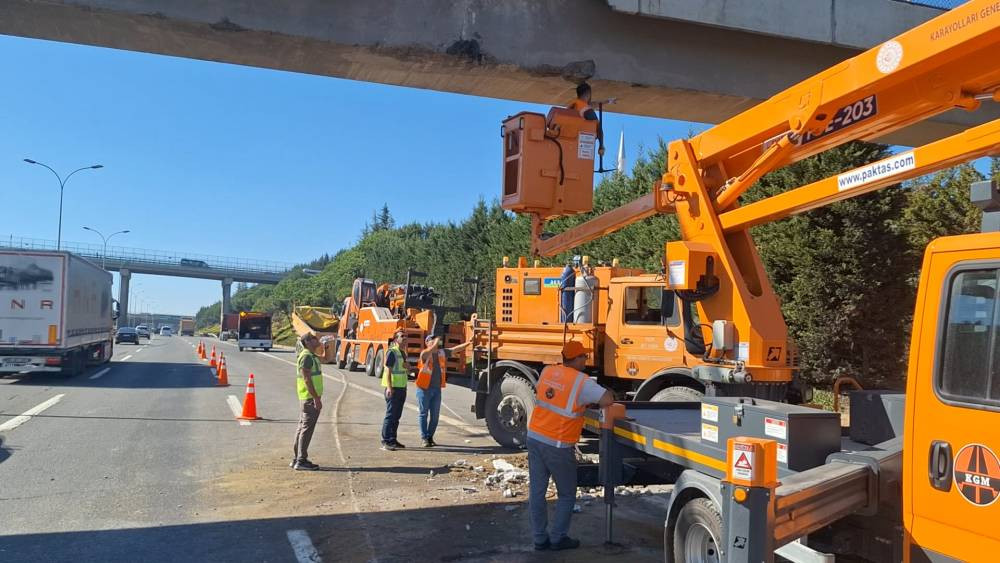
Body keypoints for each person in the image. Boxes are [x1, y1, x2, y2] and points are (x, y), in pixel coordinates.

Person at [527, 340, 613, 551]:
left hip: (535, 438)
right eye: (583, 356)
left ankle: (540, 539)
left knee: (537, 492)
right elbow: (608, 400)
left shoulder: (548, 371)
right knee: (566, 493)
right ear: (574, 359)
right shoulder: (582, 382)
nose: (586, 359)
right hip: (558, 444)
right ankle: (558, 538)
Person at [416, 334, 472, 447]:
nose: (434, 341)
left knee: (435, 416)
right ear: (427, 343)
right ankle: (424, 438)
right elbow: (431, 350)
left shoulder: (441, 352)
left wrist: (469, 343)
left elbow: (456, 349)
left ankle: (430, 437)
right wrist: (436, 340)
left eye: (434, 340)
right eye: (431, 340)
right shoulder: (424, 353)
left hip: (436, 389)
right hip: (423, 388)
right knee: (423, 414)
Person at [292, 332, 330, 470]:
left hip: (308, 397)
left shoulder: (312, 356)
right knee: (306, 430)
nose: (317, 339)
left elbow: (326, 359)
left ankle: (297, 458)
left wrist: (325, 347)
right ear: (307, 342)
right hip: (309, 398)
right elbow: (307, 379)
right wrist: (316, 398)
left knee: (302, 428)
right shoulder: (307, 357)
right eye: (314, 338)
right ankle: (301, 461)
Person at [381, 330, 410, 451]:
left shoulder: (403, 353)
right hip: (393, 389)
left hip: (402, 387)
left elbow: (403, 370)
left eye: (406, 336)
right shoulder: (392, 352)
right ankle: (386, 440)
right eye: (402, 336)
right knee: (391, 415)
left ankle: (393, 439)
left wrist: (408, 368)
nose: (405, 338)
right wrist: (389, 387)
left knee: (396, 416)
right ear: (395, 339)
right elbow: (388, 370)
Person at [567, 82, 604, 158]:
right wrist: (601, 146)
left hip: (569, 146)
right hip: (581, 147)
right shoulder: (587, 110)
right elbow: (599, 129)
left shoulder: (571, 106)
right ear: (588, 94)